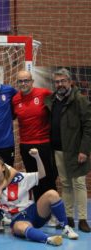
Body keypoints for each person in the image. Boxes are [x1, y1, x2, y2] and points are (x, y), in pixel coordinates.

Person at [0, 149, 79, 246]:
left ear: (3, 167)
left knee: (52, 194)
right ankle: (47, 239)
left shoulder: (20, 178)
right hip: (18, 218)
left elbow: (42, 174)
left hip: (34, 211)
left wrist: (37, 157)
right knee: (19, 227)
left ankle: (66, 228)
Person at [45, 68, 91, 232]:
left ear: (70, 81)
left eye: (63, 81)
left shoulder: (79, 100)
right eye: (57, 82)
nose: (60, 84)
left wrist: (84, 150)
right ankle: (69, 217)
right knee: (65, 184)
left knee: (78, 183)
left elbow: (88, 127)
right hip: (58, 150)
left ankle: (83, 219)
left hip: (76, 151)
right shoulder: (52, 100)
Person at [12, 70, 58, 202]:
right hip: (25, 145)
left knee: (49, 177)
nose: (23, 83)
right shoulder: (15, 99)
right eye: (20, 81)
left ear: (32, 81)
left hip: (43, 143)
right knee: (33, 178)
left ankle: (53, 208)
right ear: (17, 83)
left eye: (26, 80)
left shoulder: (44, 93)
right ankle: (39, 208)